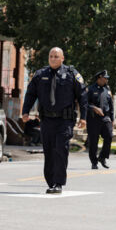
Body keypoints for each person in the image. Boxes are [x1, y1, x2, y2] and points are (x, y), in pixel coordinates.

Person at [21, 47, 87, 194]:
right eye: (51, 56)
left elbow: (82, 96)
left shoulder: (72, 74)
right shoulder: (40, 75)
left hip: (65, 120)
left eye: (56, 56)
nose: (53, 59)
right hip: (46, 120)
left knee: (60, 150)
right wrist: (25, 111)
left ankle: (58, 182)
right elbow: (30, 94)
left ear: (62, 58)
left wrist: (84, 117)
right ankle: (51, 182)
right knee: (49, 151)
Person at [85, 70, 114, 170]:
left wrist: (112, 119)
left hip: (105, 118)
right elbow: (84, 104)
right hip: (93, 119)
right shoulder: (90, 89)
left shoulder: (107, 90)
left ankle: (102, 157)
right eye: (105, 78)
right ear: (99, 78)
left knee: (109, 136)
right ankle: (94, 162)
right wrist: (94, 108)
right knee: (93, 142)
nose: (107, 80)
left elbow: (111, 106)